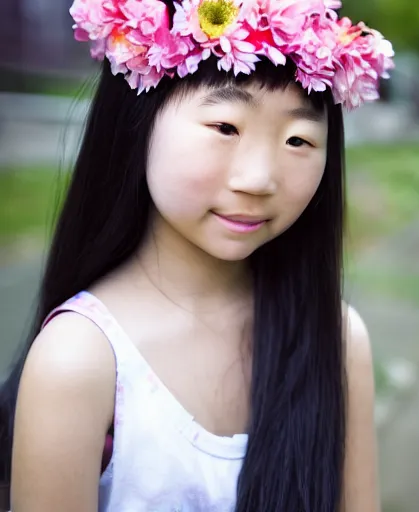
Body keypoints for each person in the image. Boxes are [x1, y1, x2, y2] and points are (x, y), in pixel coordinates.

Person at [0, 0, 394, 510]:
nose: (259, 179)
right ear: (138, 121)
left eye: (299, 139)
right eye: (226, 127)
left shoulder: (337, 339)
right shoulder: (80, 361)